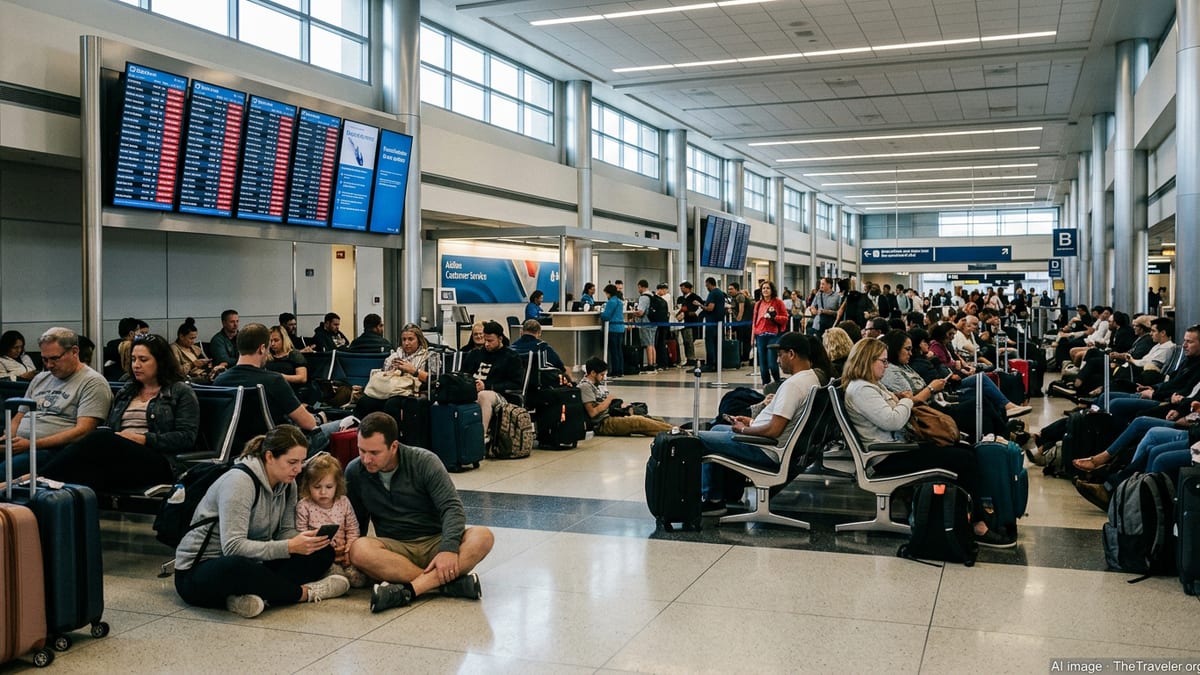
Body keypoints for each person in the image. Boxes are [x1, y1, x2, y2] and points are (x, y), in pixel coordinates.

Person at [840, 339, 1015, 548]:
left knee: (965, 451)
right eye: (883, 362)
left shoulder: (871, 385)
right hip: (888, 455)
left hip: (899, 448)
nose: (886, 366)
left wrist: (900, 400)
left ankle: (971, 514)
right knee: (962, 460)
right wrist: (908, 400)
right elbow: (893, 420)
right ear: (867, 360)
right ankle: (977, 525)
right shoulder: (862, 390)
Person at [173, 426, 350, 619]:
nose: (298, 469)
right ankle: (305, 593)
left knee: (322, 552)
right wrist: (290, 546)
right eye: (292, 462)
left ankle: (245, 597)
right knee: (236, 567)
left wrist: (306, 541)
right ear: (269, 457)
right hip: (201, 570)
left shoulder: (287, 483)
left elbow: (285, 531)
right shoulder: (239, 482)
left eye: (301, 462)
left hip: (255, 561)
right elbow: (232, 547)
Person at [346, 412, 494, 612]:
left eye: (374, 452)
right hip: (395, 549)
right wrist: (350, 548)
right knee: (359, 549)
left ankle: (411, 589)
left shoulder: (424, 461)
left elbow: (452, 508)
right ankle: (445, 585)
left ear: (394, 446)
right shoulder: (354, 471)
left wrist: (448, 549)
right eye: (361, 450)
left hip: (435, 541)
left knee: (483, 536)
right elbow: (356, 519)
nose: (366, 459)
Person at [37, 332, 198, 491]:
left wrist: (142, 439)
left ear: (161, 362)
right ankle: (45, 496)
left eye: (143, 360)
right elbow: (111, 427)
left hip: (159, 460)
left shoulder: (180, 392)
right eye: (133, 359)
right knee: (85, 471)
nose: (136, 365)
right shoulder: (127, 390)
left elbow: (186, 437)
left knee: (99, 437)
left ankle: (37, 478)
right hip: (121, 457)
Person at [697, 332, 825, 515]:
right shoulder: (812, 378)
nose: (778, 361)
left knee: (699, 438)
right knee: (716, 428)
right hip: (776, 444)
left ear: (791, 354)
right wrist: (751, 421)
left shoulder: (793, 386)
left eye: (780, 355)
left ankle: (712, 500)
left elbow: (774, 430)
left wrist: (745, 429)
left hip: (765, 449)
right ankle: (728, 493)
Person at [0, 327, 113, 480]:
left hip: (54, 451)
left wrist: (31, 444)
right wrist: (9, 439)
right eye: (45, 359)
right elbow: (19, 416)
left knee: (5, 471)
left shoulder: (93, 383)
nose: (49, 365)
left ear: (74, 351)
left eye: (55, 358)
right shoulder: (40, 379)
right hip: (20, 446)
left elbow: (83, 432)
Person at [214, 323, 341, 453]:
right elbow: (309, 424)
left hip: (234, 450)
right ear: (262, 348)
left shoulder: (219, 381)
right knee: (345, 424)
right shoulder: (274, 381)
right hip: (275, 449)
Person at [296, 454, 367, 588]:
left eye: (329, 487)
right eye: (317, 487)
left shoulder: (343, 501)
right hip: (320, 555)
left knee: (358, 579)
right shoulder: (304, 506)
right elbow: (301, 533)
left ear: (337, 485)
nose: (323, 492)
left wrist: (348, 550)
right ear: (308, 485)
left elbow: (352, 528)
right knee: (336, 575)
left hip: (345, 552)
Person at [578, 357, 673, 437]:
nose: (603, 378)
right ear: (593, 373)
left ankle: (672, 430)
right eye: (601, 375)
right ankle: (674, 431)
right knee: (637, 421)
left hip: (611, 414)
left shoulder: (597, 384)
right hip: (602, 423)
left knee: (653, 419)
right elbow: (592, 413)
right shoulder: (585, 387)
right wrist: (609, 400)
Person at [353, 324, 433, 418]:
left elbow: (433, 380)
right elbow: (384, 375)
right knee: (365, 402)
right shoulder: (394, 356)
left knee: (392, 404)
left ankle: (391, 431)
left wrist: (413, 370)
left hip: (410, 392)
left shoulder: (427, 356)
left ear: (419, 340)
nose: (406, 343)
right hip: (389, 389)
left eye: (410, 339)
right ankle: (360, 430)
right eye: (404, 339)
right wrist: (391, 370)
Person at [459, 320, 523, 432]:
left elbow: (516, 383)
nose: (487, 343)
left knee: (483, 395)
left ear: (500, 339)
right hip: (473, 390)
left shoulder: (511, 357)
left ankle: (481, 435)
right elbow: (463, 374)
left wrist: (487, 386)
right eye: (485, 340)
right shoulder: (475, 354)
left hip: (499, 394)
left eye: (490, 341)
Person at [753, 281, 789, 384]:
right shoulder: (758, 304)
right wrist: (753, 337)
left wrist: (774, 317)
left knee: (772, 363)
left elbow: (785, 318)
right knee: (763, 365)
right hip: (760, 335)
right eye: (763, 288)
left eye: (768, 288)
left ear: (772, 290)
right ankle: (766, 385)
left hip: (773, 335)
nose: (765, 290)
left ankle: (777, 382)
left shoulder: (778, 302)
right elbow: (754, 321)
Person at [171, 318, 222, 384]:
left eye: (194, 338)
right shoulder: (174, 349)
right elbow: (176, 371)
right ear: (181, 336)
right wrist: (192, 364)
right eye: (191, 338)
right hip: (190, 379)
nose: (193, 341)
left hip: (204, 374)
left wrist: (207, 364)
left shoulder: (195, 348)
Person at [265, 325, 309, 393]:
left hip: (290, 390)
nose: (272, 344)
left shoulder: (294, 355)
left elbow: (302, 378)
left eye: (276, 340)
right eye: (270, 341)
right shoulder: (267, 356)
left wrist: (283, 377)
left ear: (284, 340)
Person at [700, 277, 728, 371]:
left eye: (707, 285)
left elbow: (710, 308)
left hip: (711, 322)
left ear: (709, 284)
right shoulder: (720, 293)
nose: (706, 287)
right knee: (717, 343)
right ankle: (718, 363)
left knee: (710, 343)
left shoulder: (713, 293)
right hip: (719, 323)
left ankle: (710, 364)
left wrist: (700, 305)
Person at [600, 283, 626, 378]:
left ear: (608, 293)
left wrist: (601, 314)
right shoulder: (619, 301)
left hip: (613, 328)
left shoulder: (611, 302)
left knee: (614, 351)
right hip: (620, 328)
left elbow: (606, 316)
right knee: (619, 350)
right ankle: (620, 370)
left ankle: (615, 371)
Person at [676, 281, 704, 367]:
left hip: (693, 322)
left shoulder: (695, 297)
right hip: (684, 322)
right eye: (681, 288)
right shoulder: (681, 298)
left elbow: (702, 306)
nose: (682, 289)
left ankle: (693, 358)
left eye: (683, 288)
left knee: (691, 340)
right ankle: (688, 358)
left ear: (689, 288)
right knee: (685, 341)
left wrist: (695, 313)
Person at [633, 280, 658, 373]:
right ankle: (654, 363)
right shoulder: (652, 295)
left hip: (646, 323)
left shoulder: (644, 297)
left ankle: (650, 365)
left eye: (638, 287)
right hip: (654, 322)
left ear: (640, 287)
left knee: (648, 344)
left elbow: (640, 312)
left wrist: (633, 313)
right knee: (652, 343)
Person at [728, 282, 752, 364]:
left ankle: (745, 357)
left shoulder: (740, 296)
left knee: (745, 340)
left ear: (736, 289)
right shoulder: (735, 297)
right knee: (741, 340)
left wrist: (738, 321)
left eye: (731, 289)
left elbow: (741, 311)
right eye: (729, 289)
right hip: (743, 322)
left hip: (744, 323)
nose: (729, 291)